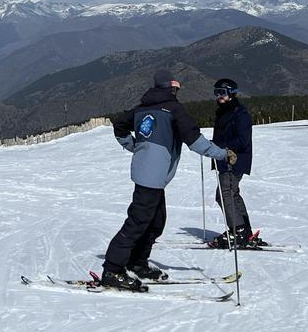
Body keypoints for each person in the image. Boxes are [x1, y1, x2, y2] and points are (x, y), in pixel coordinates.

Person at [101, 69, 236, 291]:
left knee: (155, 222)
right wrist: (223, 153)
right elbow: (195, 142)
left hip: (150, 176)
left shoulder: (141, 109)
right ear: (170, 88)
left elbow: (119, 126)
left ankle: (137, 262)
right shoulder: (173, 109)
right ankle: (112, 270)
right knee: (137, 223)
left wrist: (134, 146)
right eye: (176, 88)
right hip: (151, 177)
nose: (176, 92)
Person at [207, 77, 266, 248]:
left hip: (235, 161)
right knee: (232, 193)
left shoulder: (240, 114)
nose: (219, 96)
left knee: (224, 194)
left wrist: (219, 147)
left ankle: (238, 230)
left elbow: (242, 140)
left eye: (222, 93)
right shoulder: (224, 112)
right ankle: (244, 230)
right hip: (224, 159)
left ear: (232, 93)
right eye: (216, 93)